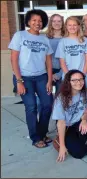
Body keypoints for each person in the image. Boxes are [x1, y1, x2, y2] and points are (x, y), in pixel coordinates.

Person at [9, 9, 54, 148]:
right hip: (24, 77)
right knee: (31, 107)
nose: (37, 23)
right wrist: (19, 81)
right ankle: (35, 138)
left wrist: (49, 80)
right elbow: (14, 59)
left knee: (47, 105)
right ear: (28, 21)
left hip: (41, 76)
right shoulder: (20, 35)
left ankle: (42, 133)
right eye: (34, 20)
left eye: (40, 21)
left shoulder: (44, 39)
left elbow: (48, 62)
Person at [52, 70, 87, 162]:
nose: (78, 82)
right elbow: (61, 123)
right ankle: (60, 140)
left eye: (81, 79)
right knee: (81, 154)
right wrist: (62, 146)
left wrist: (84, 120)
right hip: (67, 126)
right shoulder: (61, 98)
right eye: (74, 80)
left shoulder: (86, 92)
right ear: (68, 82)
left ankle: (75, 142)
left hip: (79, 122)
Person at [56, 16, 87, 88]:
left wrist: (82, 75)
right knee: (68, 98)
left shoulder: (85, 40)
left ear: (78, 26)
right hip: (67, 76)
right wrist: (69, 76)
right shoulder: (62, 41)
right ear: (66, 26)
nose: (72, 27)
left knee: (84, 98)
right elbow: (62, 62)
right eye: (70, 25)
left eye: (74, 25)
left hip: (83, 75)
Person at [45, 13, 64, 93]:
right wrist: (48, 73)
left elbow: (70, 59)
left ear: (62, 23)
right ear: (50, 23)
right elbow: (42, 57)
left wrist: (59, 74)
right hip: (46, 71)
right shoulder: (45, 38)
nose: (57, 23)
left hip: (62, 71)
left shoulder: (67, 38)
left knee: (60, 98)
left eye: (59, 21)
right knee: (46, 98)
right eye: (54, 21)